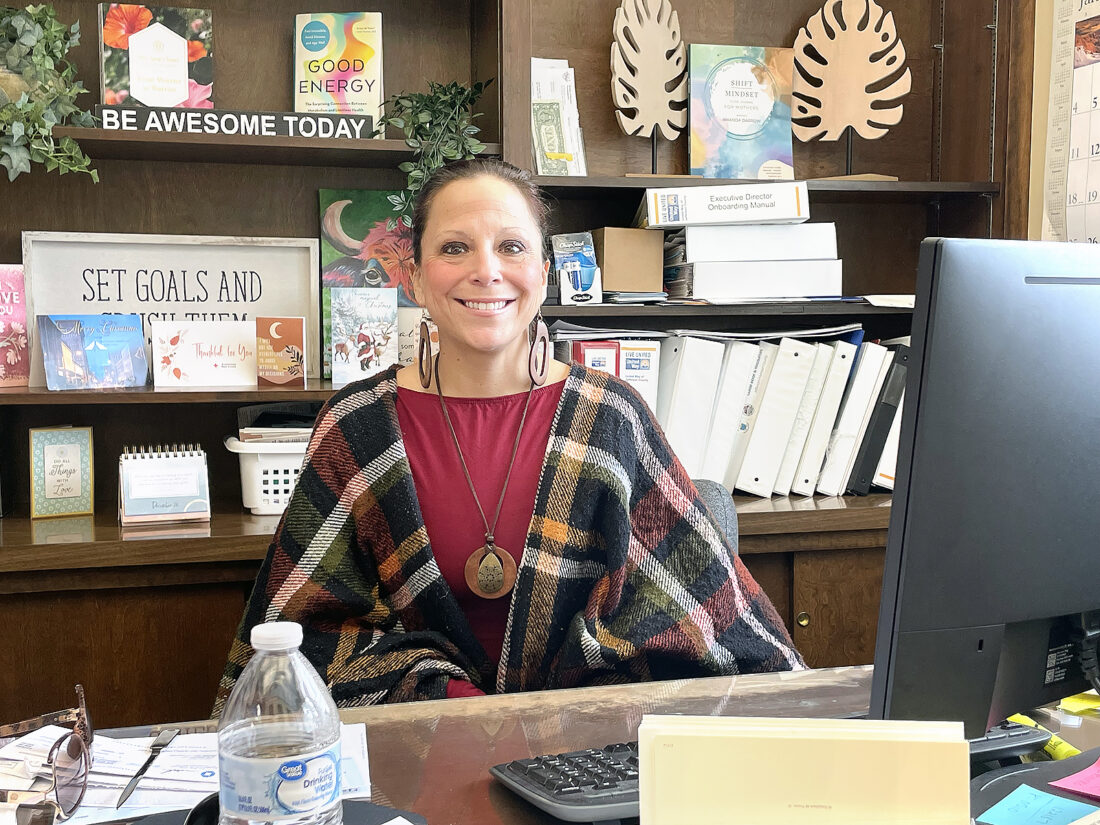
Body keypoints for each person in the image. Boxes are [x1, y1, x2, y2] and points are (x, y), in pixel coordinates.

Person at [213, 159, 802, 713]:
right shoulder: (358, 423)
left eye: (511, 247)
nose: (486, 270)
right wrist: (458, 707)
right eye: (454, 247)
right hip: (421, 740)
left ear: (543, 275)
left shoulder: (610, 415)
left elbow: (700, 618)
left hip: (587, 741)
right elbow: (301, 636)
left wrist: (546, 720)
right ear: (414, 278)